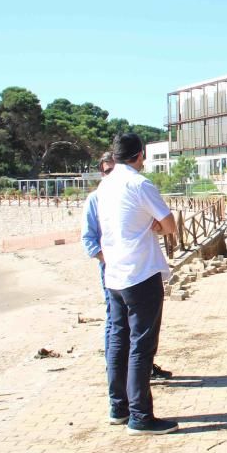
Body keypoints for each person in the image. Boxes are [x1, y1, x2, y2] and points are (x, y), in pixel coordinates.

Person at [98, 133, 178, 435]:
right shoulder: (139, 183)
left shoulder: (105, 185)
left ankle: (118, 407)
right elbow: (169, 225)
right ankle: (140, 416)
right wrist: (156, 225)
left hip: (114, 273)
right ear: (140, 155)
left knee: (118, 339)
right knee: (141, 345)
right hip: (140, 273)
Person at [81, 152, 173, 379]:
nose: (113, 175)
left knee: (136, 330)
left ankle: (138, 373)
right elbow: (89, 240)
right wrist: (109, 259)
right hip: (114, 268)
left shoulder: (128, 191)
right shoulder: (97, 197)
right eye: (108, 171)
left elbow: (154, 222)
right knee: (116, 327)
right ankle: (118, 376)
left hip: (134, 267)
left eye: (115, 169)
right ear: (102, 173)